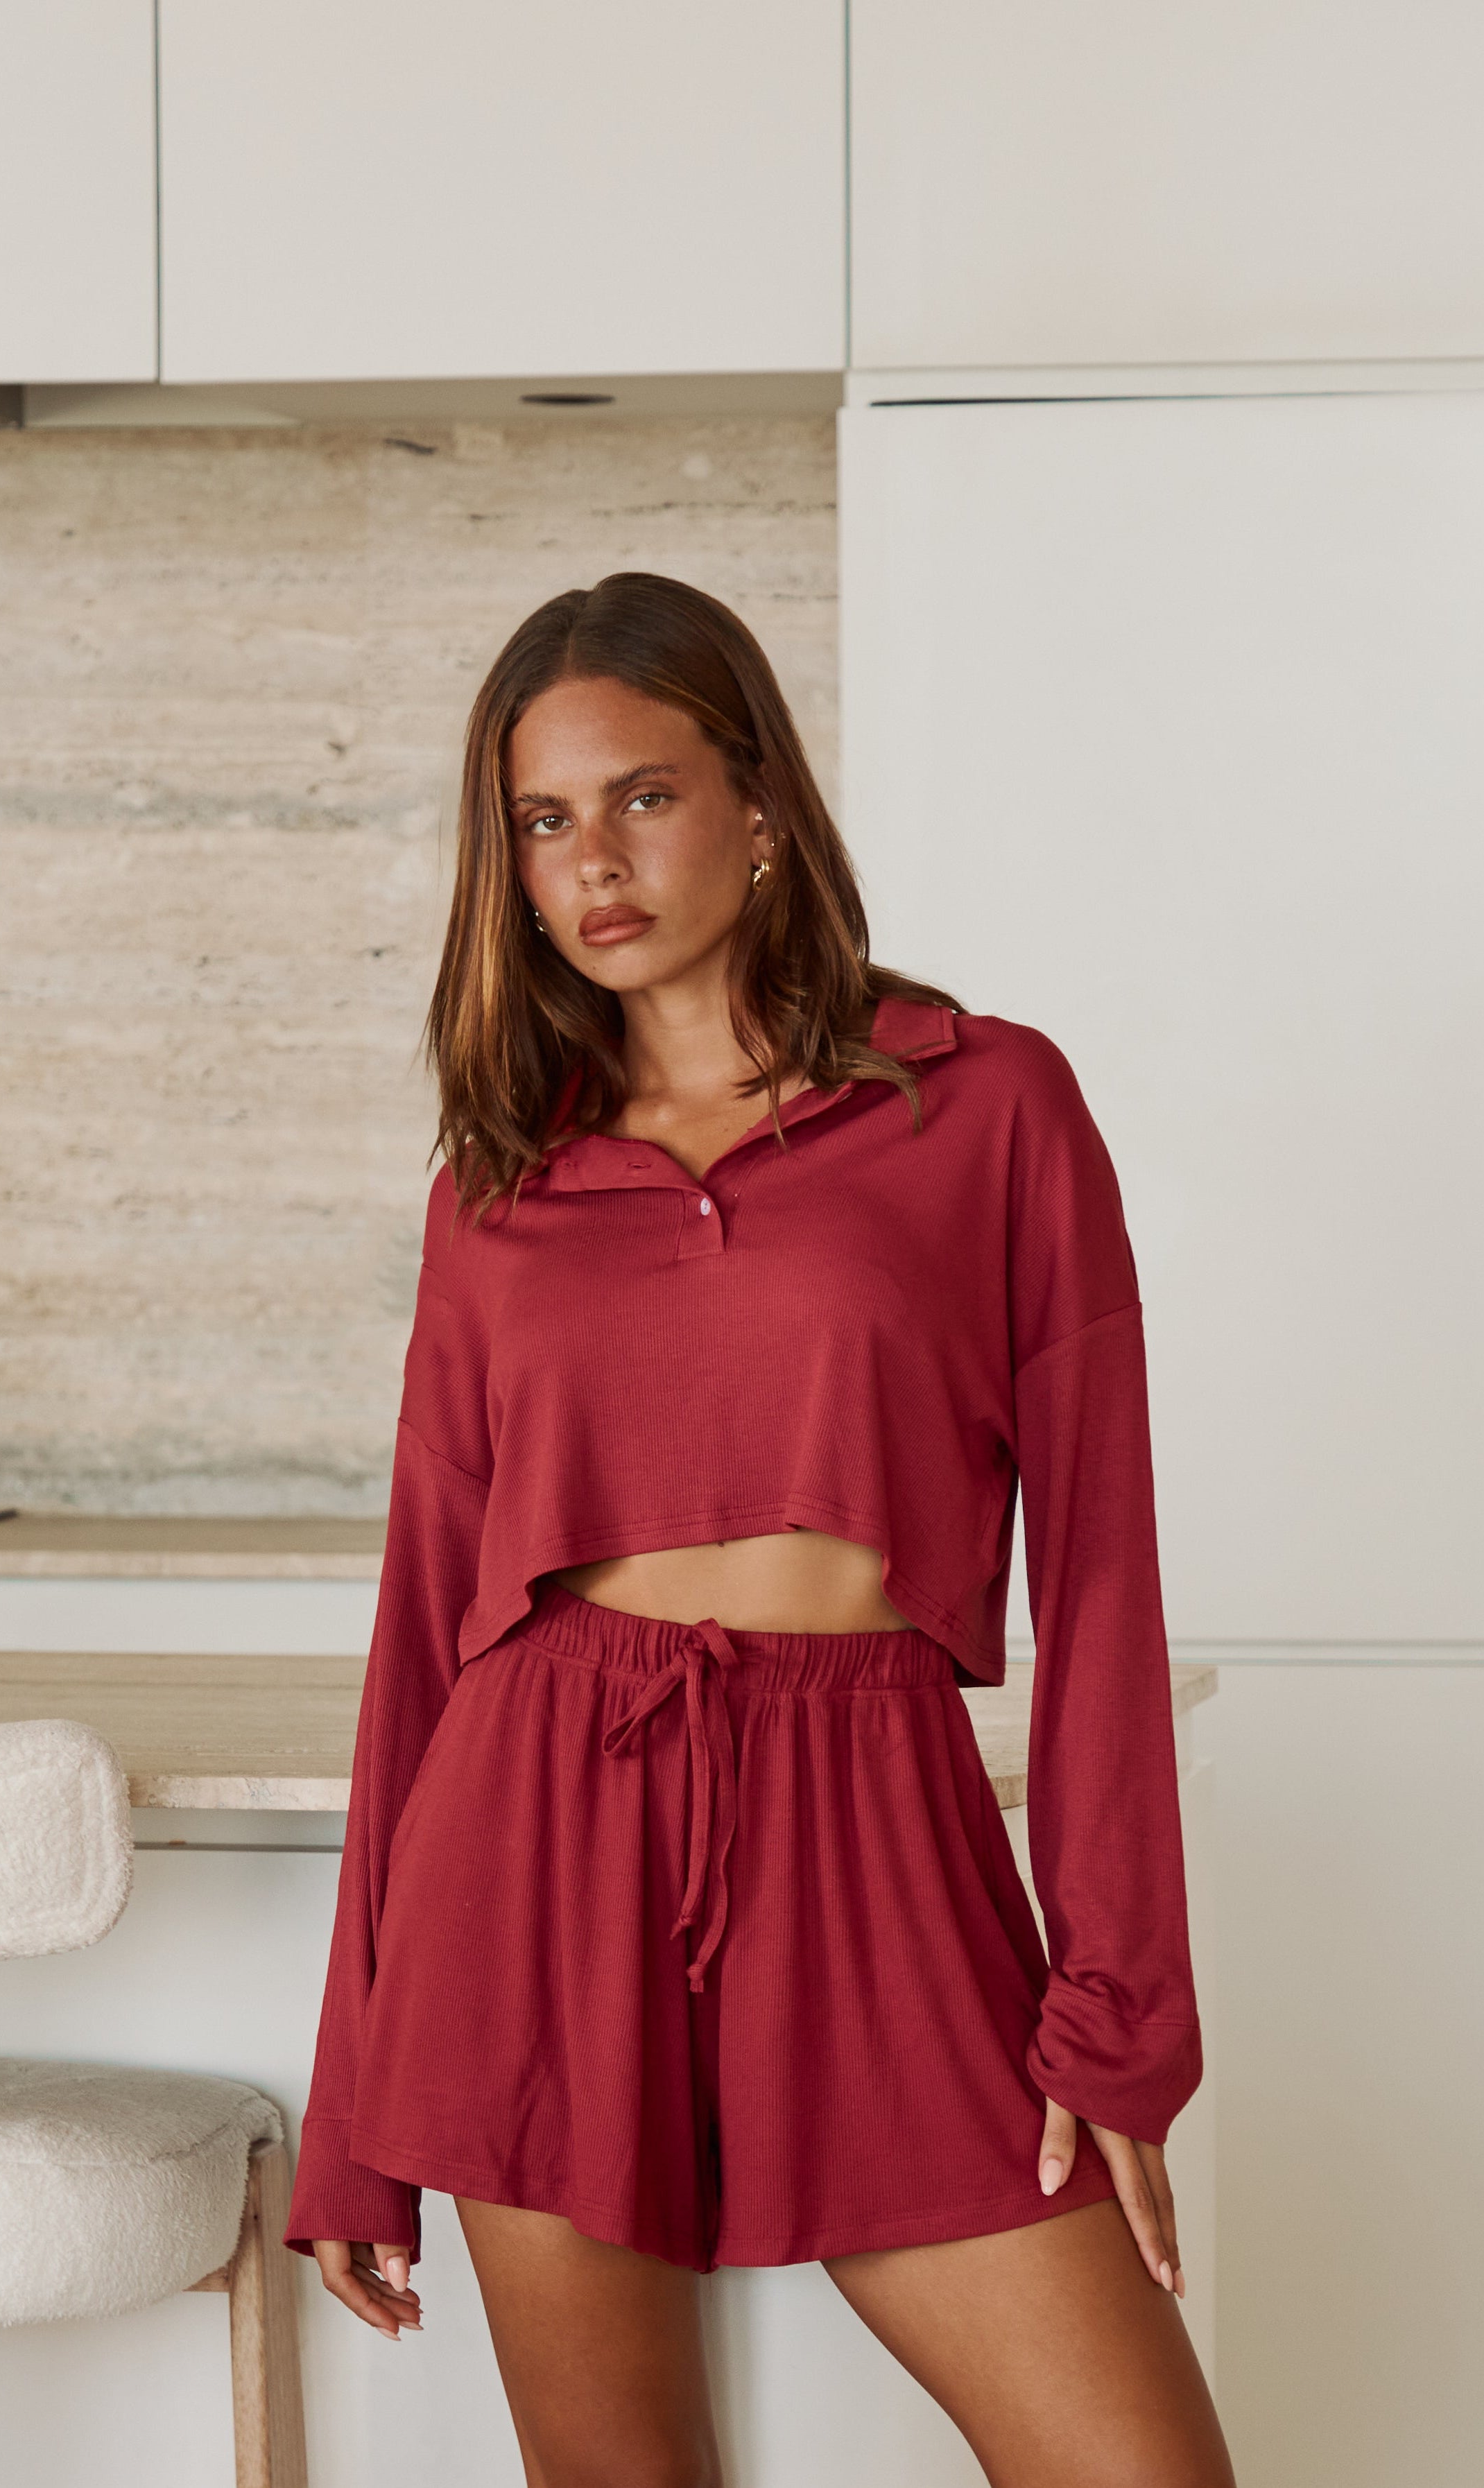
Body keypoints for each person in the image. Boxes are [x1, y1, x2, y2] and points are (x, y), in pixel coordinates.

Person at [285, 571, 1235, 2487]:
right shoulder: (501, 1181)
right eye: (542, 821)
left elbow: (1104, 1577)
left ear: (762, 804)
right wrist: (349, 2112)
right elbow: (427, 1628)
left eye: (642, 795)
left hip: (873, 1818)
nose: (592, 861)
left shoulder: (986, 1104)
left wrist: (1118, 2013)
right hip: (538, 1836)